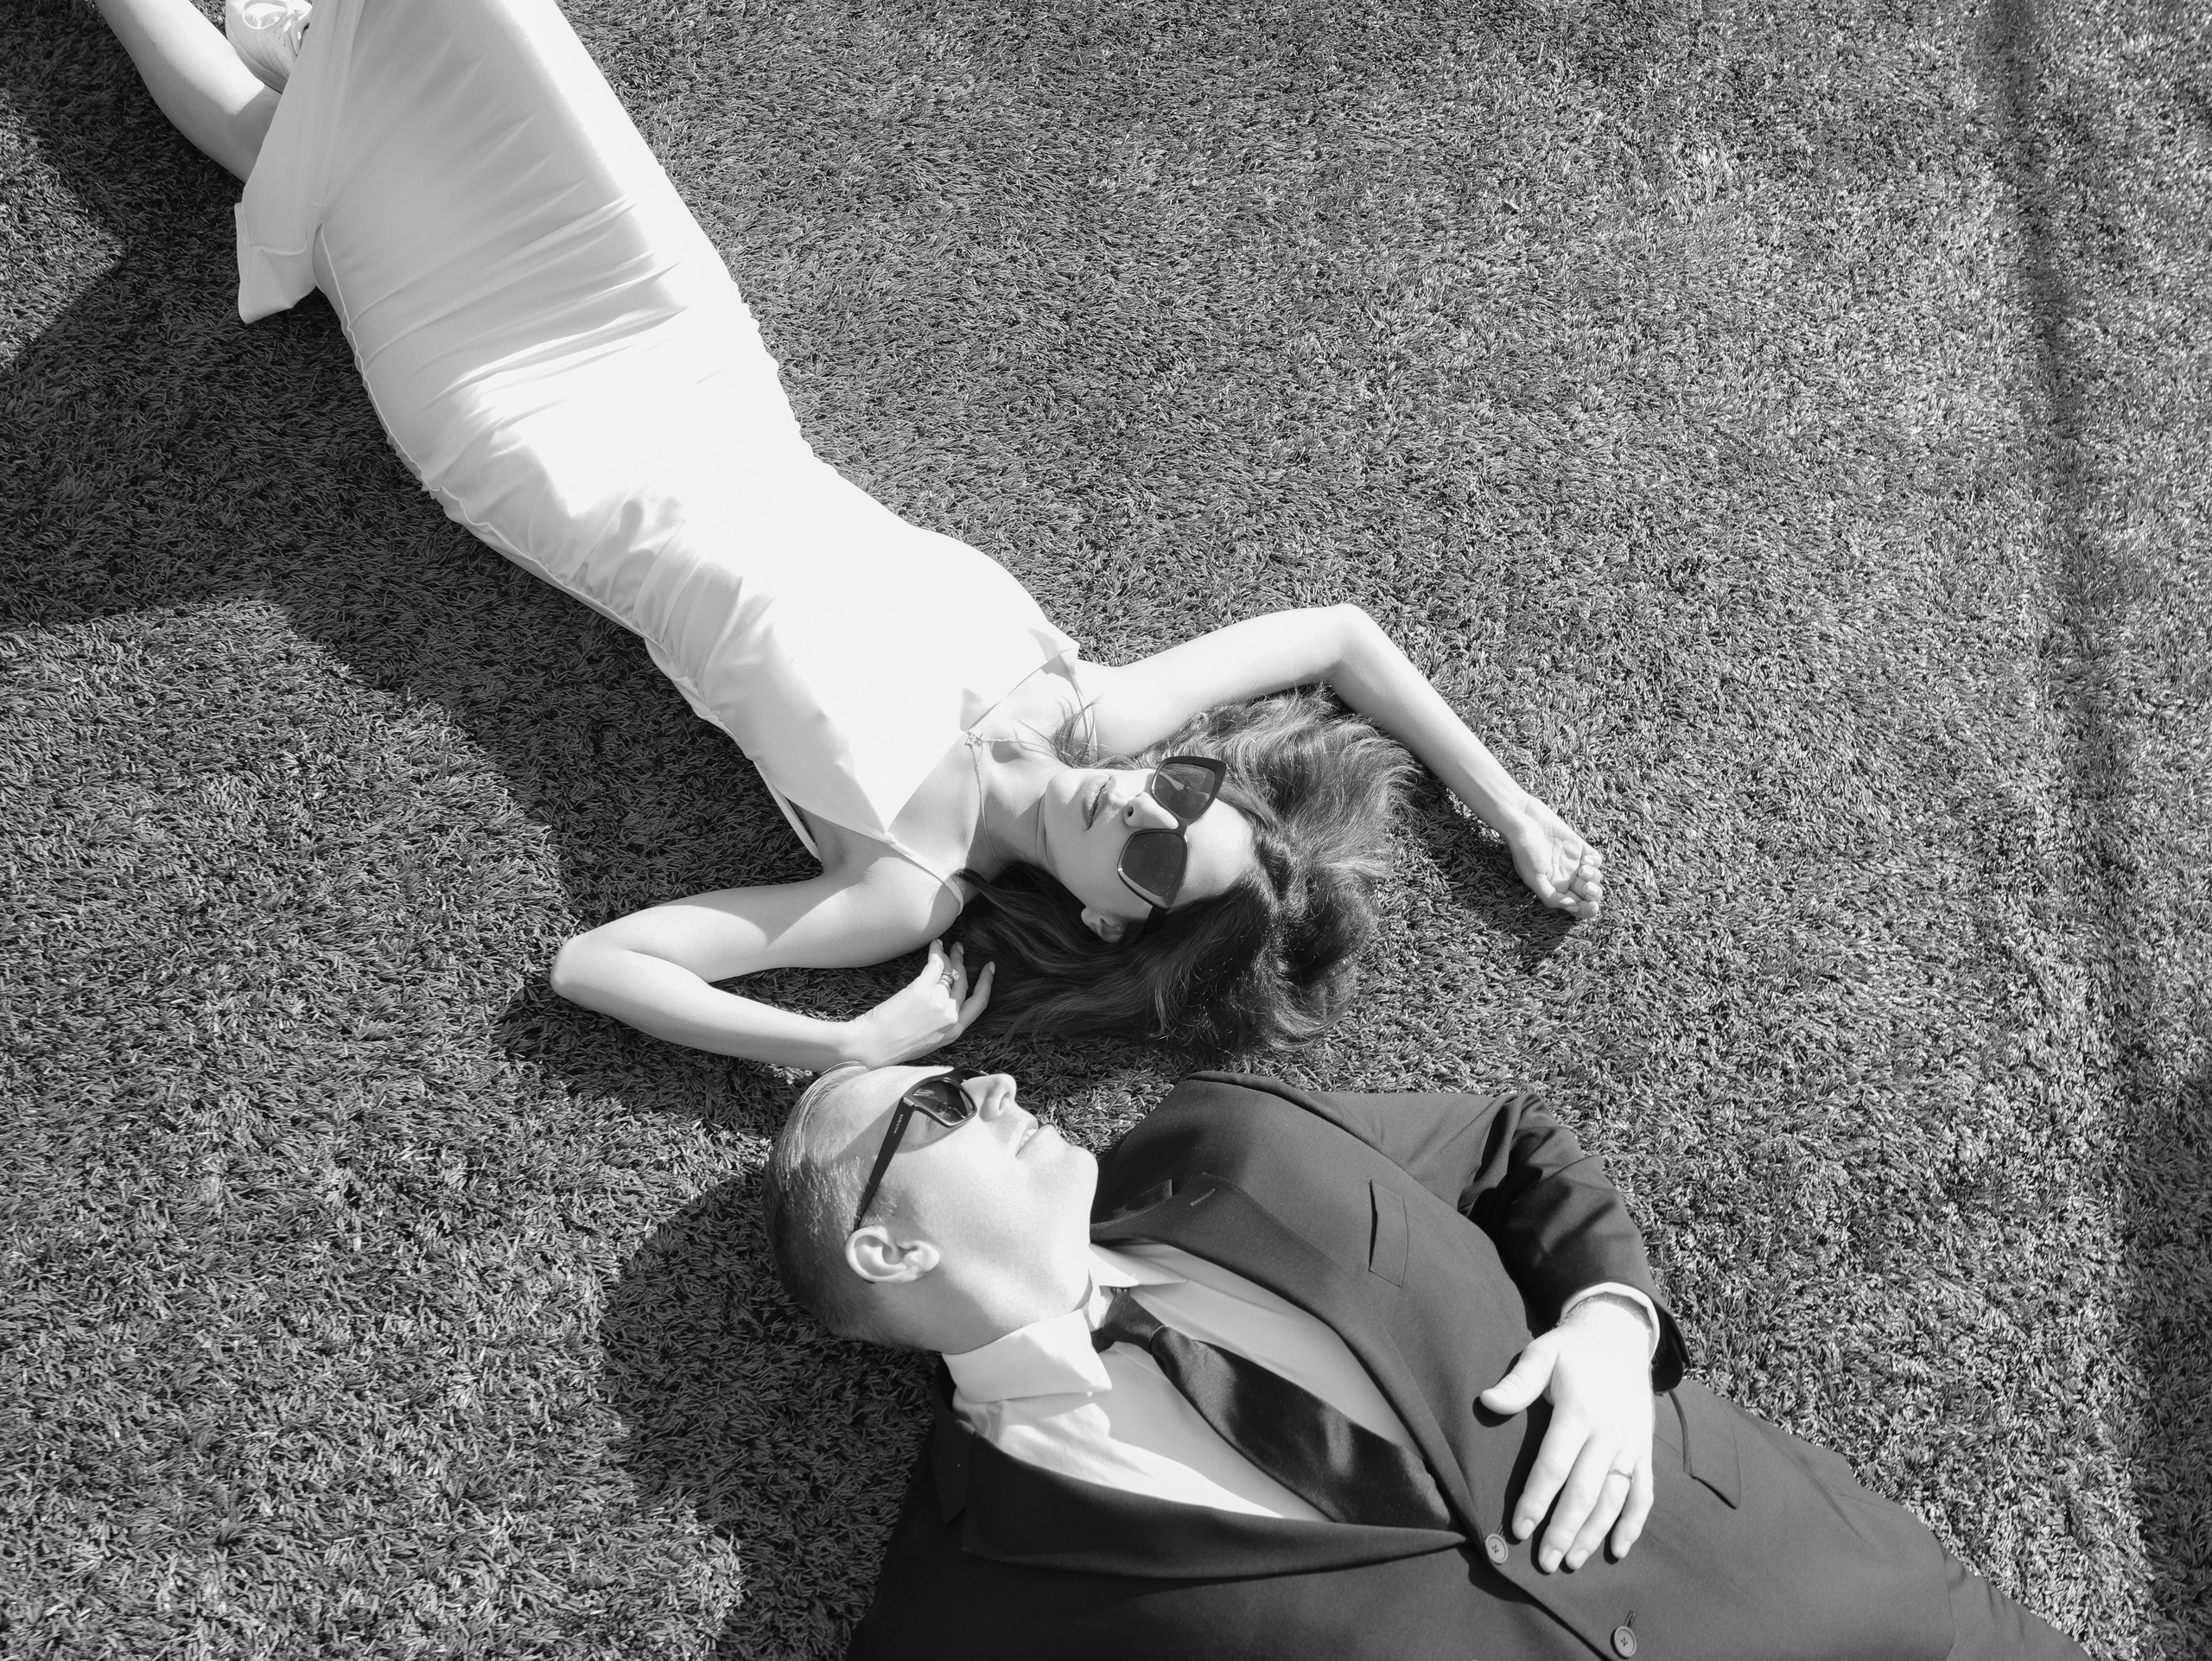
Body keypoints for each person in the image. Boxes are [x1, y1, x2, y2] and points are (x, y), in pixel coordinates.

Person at [92, 0, 1606, 1068]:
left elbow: (593, 966)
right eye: (1185, 791)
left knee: (315, 179)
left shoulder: (902, 882)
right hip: (676, 341)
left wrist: (836, 1042)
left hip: (536, 438)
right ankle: (299, 39)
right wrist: (1512, 808)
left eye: (1150, 854)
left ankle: (251, 46)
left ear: (1097, 917)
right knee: (494, 26)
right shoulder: (1097, 704)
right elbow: (1339, 635)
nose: (1139, 797)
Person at [764, 1064, 2090, 1659]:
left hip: (1848, 1597)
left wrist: (1612, 1327)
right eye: (936, 1104)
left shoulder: (1224, 1134)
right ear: (884, 1250)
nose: (995, 1086)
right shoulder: (951, 1609)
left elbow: (1512, 1143)